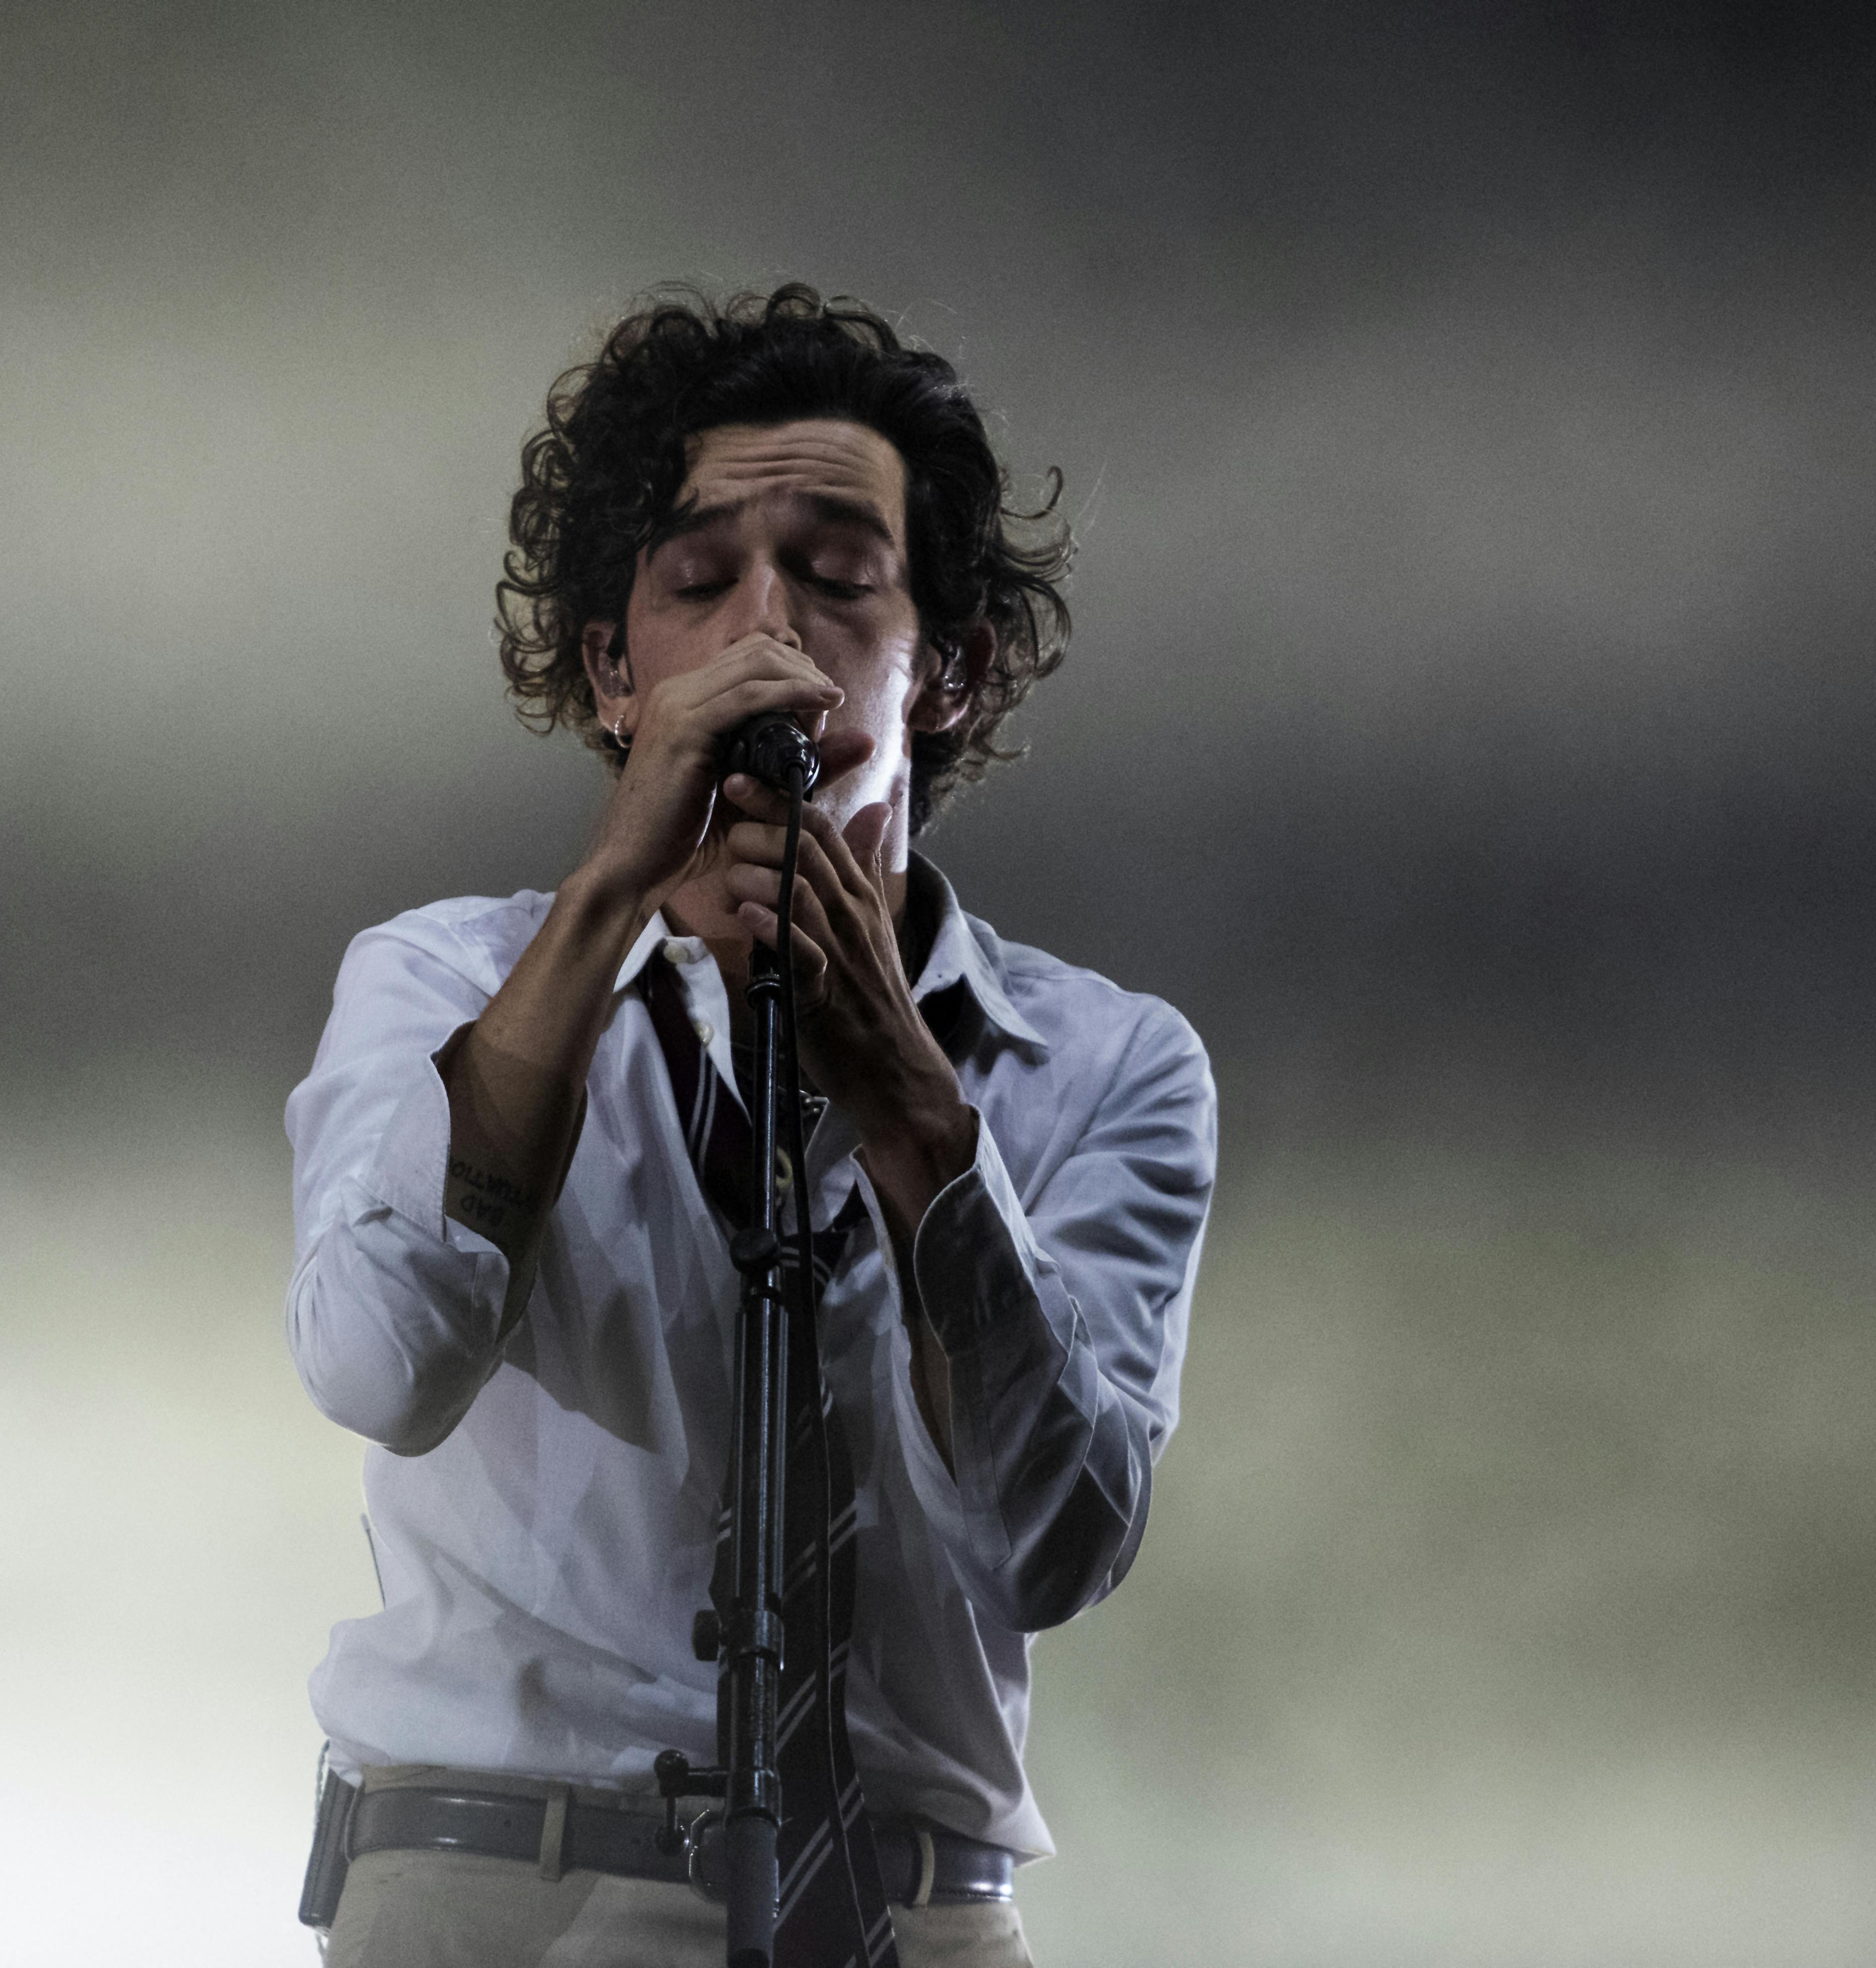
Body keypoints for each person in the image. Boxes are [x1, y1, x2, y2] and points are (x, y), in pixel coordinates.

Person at [284, 285, 1215, 1966]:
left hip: (910, 1913)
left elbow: (1063, 1542)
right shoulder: (439, 978)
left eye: (841, 578)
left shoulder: (1110, 1064)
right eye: (700, 584)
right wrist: (604, 908)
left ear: (953, 668)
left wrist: (916, 1109)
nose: (767, 634)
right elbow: (380, 1366)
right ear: (614, 675)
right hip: (508, 1891)